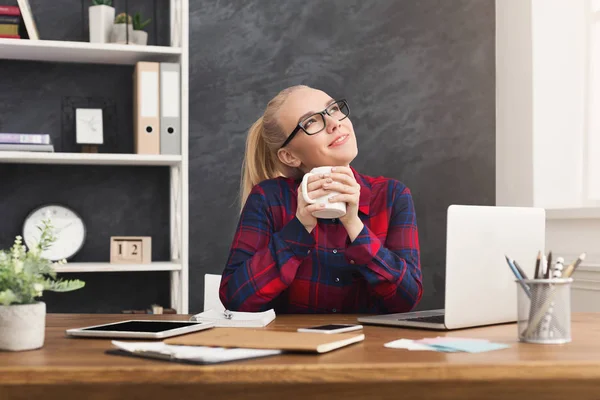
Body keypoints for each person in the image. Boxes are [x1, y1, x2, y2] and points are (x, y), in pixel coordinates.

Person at [219, 85, 422, 314]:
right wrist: (299, 229)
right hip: (293, 346)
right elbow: (236, 300)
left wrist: (355, 226)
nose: (334, 123)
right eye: (311, 122)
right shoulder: (268, 199)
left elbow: (406, 299)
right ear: (290, 156)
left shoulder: (392, 196)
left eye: (333, 109)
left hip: (369, 347)